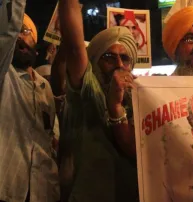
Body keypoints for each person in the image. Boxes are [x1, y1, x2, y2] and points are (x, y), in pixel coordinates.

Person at [58, 0, 139, 200]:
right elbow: (75, 48)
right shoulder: (88, 91)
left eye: (125, 58)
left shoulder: (139, 100)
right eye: (109, 57)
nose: (119, 64)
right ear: (94, 61)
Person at [0, 1, 59, 201]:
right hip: (8, 189)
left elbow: (50, 136)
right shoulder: (5, 76)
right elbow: (6, 35)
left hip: (43, 191)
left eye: (25, 31)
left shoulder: (45, 87)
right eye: (17, 31)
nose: (19, 37)